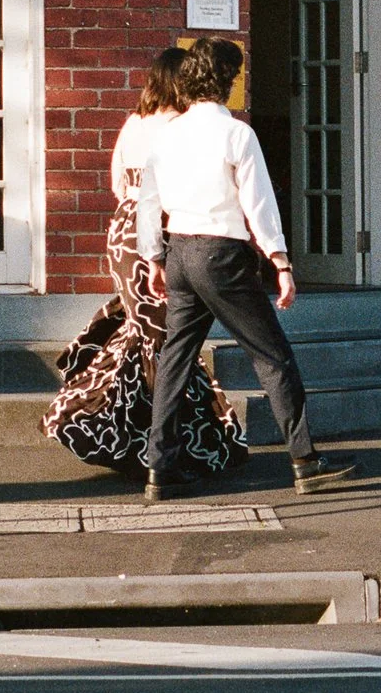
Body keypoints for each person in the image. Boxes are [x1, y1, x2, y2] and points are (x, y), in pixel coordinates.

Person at [136, 37, 355, 500]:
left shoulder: (164, 135)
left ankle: (160, 467)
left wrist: (153, 256)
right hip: (223, 254)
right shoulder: (237, 134)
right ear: (229, 81)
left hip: (179, 252)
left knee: (175, 360)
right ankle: (304, 460)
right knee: (271, 356)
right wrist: (280, 260)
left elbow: (147, 202)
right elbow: (259, 204)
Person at [45, 49, 247, 478]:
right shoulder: (179, 128)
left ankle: (138, 441)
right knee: (167, 342)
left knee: (148, 335)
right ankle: (161, 450)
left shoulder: (134, 122)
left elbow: (119, 183)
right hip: (160, 233)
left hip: (123, 234)